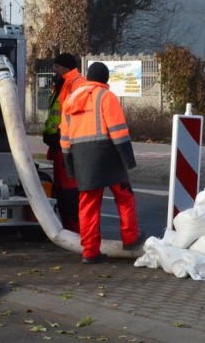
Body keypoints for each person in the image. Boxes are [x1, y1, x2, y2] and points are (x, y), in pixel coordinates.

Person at [60, 61, 145, 264]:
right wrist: (128, 160)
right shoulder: (106, 96)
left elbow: (64, 138)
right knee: (124, 196)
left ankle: (89, 252)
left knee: (88, 205)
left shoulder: (71, 100)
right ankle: (130, 239)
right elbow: (119, 132)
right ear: (106, 80)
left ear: (88, 78)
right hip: (108, 155)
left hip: (82, 158)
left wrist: (70, 166)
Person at [42, 53, 85, 232]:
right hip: (60, 145)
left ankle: (76, 230)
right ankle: (70, 229)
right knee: (62, 192)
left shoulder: (75, 85)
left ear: (66, 68)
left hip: (68, 146)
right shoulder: (62, 85)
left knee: (70, 192)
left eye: (57, 67)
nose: (54, 70)